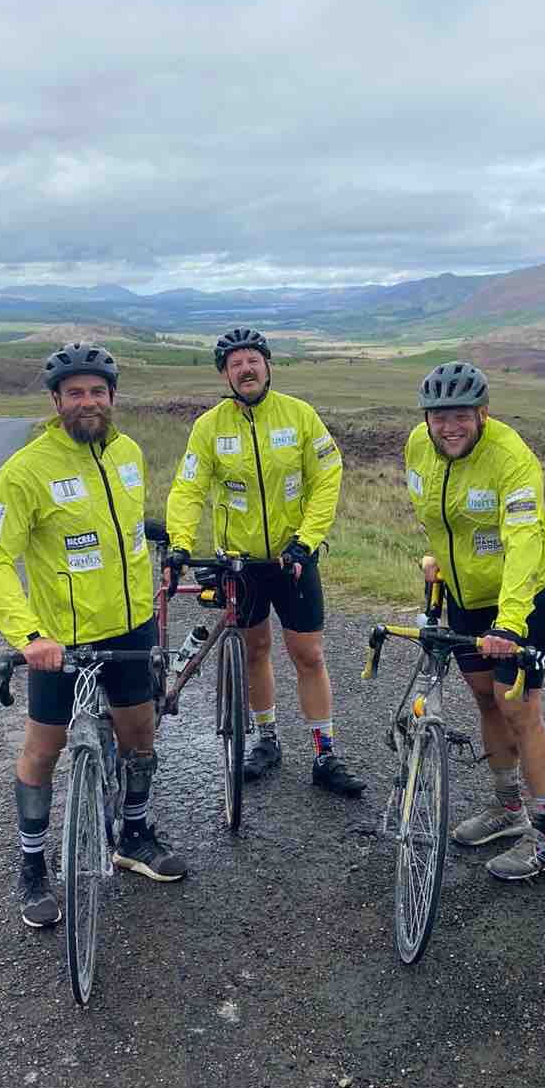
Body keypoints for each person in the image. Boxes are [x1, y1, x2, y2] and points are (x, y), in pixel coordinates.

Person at [0, 340, 186, 928]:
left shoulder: (129, 453)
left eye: (97, 391)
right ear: (56, 401)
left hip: (131, 626)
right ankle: (32, 868)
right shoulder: (25, 471)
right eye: (74, 393)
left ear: (112, 397)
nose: (86, 402)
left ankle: (133, 836)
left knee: (140, 735)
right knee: (43, 750)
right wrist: (28, 635)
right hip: (59, 643)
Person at [164, 328, 364, 797]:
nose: (246, 369)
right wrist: (179, 543)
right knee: (255, 651)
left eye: (253, 360)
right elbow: (189, 489)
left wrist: (306, 541)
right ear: (225, 375)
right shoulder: (209, 427)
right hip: (241, 564)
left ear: (268, 366)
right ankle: (266, 740)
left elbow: (326, 477)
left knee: (308, 654)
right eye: (235, 364)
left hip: (292, 559)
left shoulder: (299, 416)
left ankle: (324, 753)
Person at [406, 361, 545, 881]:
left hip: (521, 598)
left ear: (482, 413)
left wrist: (510, 622)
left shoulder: (511, 458)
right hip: (466, 595)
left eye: (460, 416)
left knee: (519, 708)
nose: (448, 427)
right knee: (484, 698)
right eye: (438, 417)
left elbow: (524, 541)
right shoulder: (417, 446)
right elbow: (435, 513)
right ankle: (507, 808)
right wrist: (436, 557)